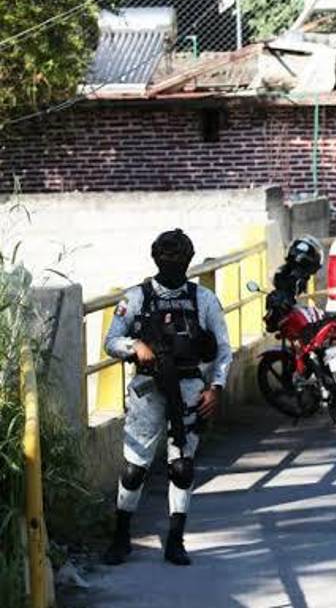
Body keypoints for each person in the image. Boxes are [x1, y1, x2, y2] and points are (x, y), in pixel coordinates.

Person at [102, 229, 232, 566]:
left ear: (188, 261)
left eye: (179, 260)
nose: (172, 265)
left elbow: (222, 350)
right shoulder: (136, 298)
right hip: (148, 389)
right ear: (156, 259)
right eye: (166, 259)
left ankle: (176, 540)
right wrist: (135, 346)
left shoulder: (203, 300)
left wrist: (215, 387)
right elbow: (111, 340)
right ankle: (121, 537)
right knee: (134, 468)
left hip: (189, 388)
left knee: (182, 467)